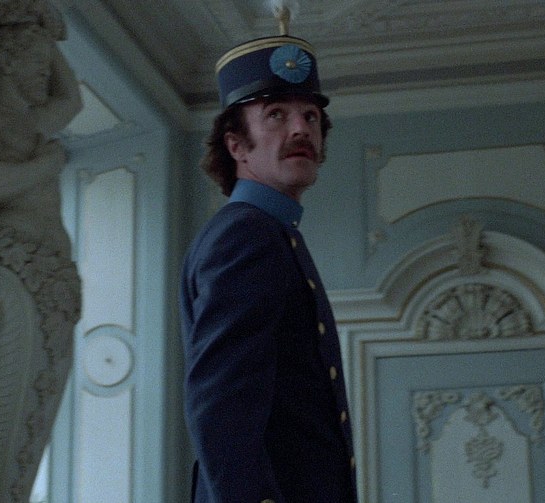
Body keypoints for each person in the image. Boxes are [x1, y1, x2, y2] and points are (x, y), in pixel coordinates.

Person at [179, 21, 358, 503]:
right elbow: (220, 407)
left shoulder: (269, 233)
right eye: (276, 114)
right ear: (236, 145)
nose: (301, 128)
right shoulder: (247, 235)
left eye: (311, 116)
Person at [0, 8, 82, 501]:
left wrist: (45, 34)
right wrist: (45, 165)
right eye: (36, 64)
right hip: (8, 268)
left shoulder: (35, 119)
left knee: (32, 424)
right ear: (6, 63)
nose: (46, 73)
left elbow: (72, 98)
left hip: (49, 274)